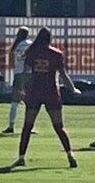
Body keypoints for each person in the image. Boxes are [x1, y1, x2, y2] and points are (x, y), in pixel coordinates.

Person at [12, 28, 78, 169]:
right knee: (59, 126)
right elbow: (63, 74)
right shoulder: (56, 54)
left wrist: (22, 89)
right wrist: (73, 89)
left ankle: (21, 157)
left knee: (27, 126)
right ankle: (70, 155)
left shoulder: (32, 52)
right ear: (50, 39)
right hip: (51, 92)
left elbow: (26, 73)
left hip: (34, 92)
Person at [3, 27, 32, 133]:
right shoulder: (30, 44)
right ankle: (29, 127)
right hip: (29, 74)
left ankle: (11, 126)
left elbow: (11, 63)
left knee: (14, 102)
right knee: (30, 102)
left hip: (18, 74)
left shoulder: (15, 46)